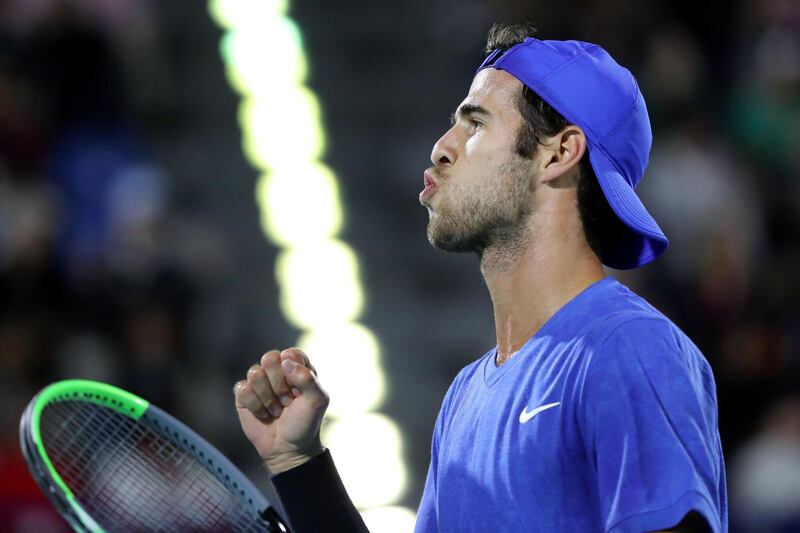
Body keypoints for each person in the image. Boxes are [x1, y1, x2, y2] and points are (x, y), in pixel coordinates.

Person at [233, 23, 728, 533]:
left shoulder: (628, 349)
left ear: (559, 153)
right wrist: (298, 463)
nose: (440, 148)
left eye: (475, 124)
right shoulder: (464, 397)